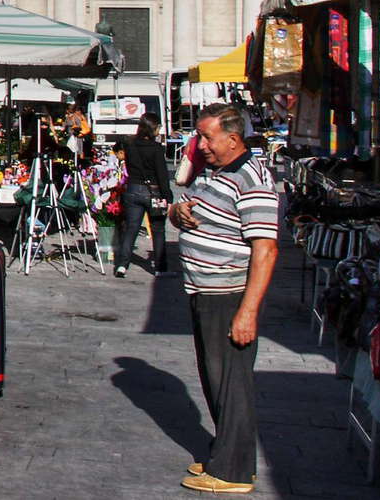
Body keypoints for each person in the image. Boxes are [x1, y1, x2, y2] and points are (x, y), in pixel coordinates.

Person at [168, 103, 278, 494]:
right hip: (206, 291)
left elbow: (265, 249)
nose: (199, 145)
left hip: (229, 294)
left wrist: (247, 313)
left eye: (206, 137)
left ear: (233, 139)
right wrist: (178, 213)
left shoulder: (252, 178)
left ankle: (233, 469)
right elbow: (184, 208)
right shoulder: (217, 171)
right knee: (216, 380)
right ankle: (226, 451)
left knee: (232, 383)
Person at [114, 118, 175, 277]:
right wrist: (168, 196)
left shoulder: (130, 145)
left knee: (131, 228)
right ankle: (160, 268)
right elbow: (162, 175)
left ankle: (122, 265)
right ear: (151, 129)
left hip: (133, 188)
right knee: (158, 229)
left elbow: (128, 166)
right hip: (153, 191)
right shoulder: (156, 149)